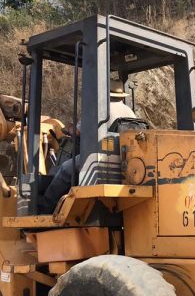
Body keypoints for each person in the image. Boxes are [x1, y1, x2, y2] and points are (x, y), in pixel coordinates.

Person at [40, 79, 137, 213]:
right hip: (126, 159)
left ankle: (45, 207)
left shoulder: (101, 108)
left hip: (101, 157)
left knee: (65, 169)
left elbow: (79, 132)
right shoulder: (130, 112)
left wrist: (69, 128)